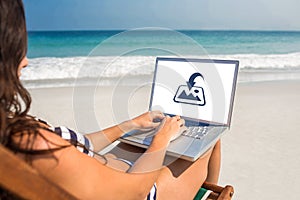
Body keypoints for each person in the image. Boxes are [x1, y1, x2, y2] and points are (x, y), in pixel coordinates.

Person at [0, 0, 221, 199]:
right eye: (17, 49)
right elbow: (136, 191)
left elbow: (76, 147)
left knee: (191, 132)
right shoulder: (32, 143)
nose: (26, 61)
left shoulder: (10, 130)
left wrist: (129, 125)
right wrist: (162, 139)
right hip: (142, 190)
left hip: (111, 172)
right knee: (208, 138)